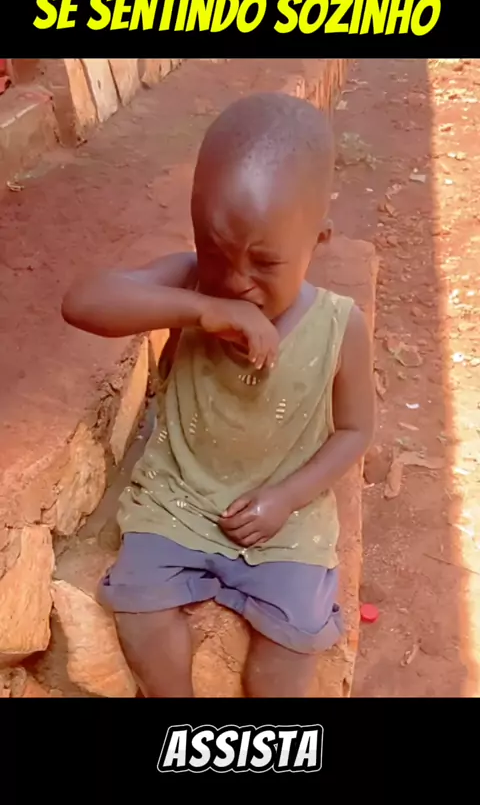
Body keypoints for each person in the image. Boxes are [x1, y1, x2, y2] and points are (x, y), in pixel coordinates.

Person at [62, 91, 375, 698]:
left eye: (265, 263)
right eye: (214, 251)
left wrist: (286, 498)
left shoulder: (340, 327)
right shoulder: (193, 284)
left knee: (292, 646)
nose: (236, 282)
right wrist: (199, 309)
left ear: (319, 239)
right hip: (179, 498)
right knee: (139, 607)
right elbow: (83, 302)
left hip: (285, 517)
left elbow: (356, 430)